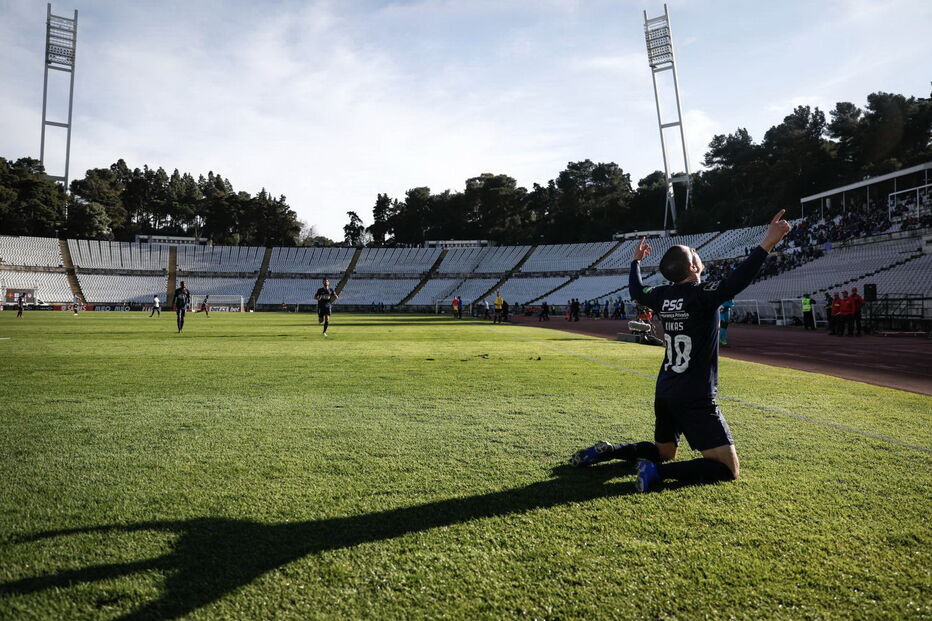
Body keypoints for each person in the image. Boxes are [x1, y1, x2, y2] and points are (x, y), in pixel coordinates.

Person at [570, 209, 792, 493]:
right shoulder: (701, 295)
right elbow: (735, 282)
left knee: (665, 452)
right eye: (695, 254)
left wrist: (635, 262)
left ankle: (611, 451)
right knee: (727, 468)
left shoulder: (662, 295)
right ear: (693, 268)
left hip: (665, 388)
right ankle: (656, 475)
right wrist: (767, 244)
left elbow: (637, 293)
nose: (698, 255)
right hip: (694, 394)